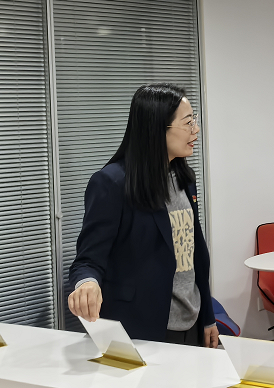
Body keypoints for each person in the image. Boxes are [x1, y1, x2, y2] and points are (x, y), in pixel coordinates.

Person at [68, 84, 218, 347]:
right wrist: (87, 284)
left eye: (194, 120)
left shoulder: (184, 177)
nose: (195, 130)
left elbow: (195, 253)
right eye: (187, 122)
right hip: (143, 327)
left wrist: (208, 317)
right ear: (157, 128)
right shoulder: (112, 184)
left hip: (192, 320)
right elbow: (88, 259)